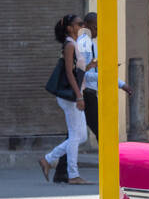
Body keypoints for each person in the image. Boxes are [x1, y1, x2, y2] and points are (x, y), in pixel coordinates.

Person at [39, 14, 92, 185]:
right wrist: (78, 96)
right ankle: (72, 174)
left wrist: (92, 65)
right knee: (76, 135)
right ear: (70, 27)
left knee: (81, 136)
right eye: (79, 23)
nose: (82, 25)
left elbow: (78, 70)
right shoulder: (70, 44)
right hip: (70, 96)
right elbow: (69, 73)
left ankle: (48, 159)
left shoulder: (75, 44)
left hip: (75, 94)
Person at [75, 12, 129, 139]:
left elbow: (97, 67)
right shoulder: (83, 44)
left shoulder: (92, 44)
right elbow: (84, 74)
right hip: (86, 92)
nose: (97, 31)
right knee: (102, 132)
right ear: (86, 25)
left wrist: (120, 83)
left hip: (90, 92)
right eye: (95, 28)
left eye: (99, 28)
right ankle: (111, 159)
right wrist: (108, 77)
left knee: (76, 133)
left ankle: (55, 159)